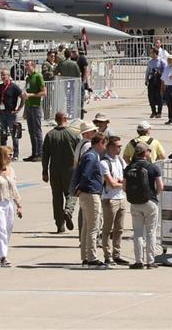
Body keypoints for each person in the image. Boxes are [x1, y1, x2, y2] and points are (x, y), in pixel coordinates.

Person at [124, 144, 163, 269]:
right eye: (149, 151)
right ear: (145, 153)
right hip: (150, 202)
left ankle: (138, 261)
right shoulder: (153, 167)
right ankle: (150, 261)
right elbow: (160, 187)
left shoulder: (129, 167)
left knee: (138, 233)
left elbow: (124, 187)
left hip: (135, 203)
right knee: (151, 232)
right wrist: (153, 195)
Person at [42, 111, 79, 233]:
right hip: (70, 169)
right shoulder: (74, 134)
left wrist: (44, 171)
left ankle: (59, 224)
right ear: (65, 119)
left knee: (56, 197)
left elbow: (45, 155)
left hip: (54, 170)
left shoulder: (50, 135)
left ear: (56, 120)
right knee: (72, 193)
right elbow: (80, 152)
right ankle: (68, 210)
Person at [73, 133, 107, 267]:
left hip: (86, 194)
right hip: (91, 193)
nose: (104, 148)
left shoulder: (89, 155)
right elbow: (86, 174)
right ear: (100, 143)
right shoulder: (92, 157)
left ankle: (85, 256)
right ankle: (92, 257)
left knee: (87, 227)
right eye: (104, 144)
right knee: (93, 227)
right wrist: (80, 187)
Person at [100, 136, 128, 265]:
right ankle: (107, 255)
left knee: (119, 229)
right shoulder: (104, 163)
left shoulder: (121, 161)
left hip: (121, 198)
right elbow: (111, 183)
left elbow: (126, 179)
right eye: (117, 146)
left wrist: (120, 182)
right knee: (107, 229)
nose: (120, 149)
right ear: (110, 147)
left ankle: (117, 254)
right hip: (110, 199)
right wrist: (120, 182)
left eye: (120, 146)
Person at [0, 69, 24, 160]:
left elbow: (22, 97)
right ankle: (4, 154)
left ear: (8, 76)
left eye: (4, 75)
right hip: (2, 114)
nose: (2, 77)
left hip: (11, 114)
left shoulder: (14, 87)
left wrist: (18, 109)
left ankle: (16, 154)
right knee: (3, 134)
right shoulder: (0, 87)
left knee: (14, 135)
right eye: (1, 75)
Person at [22, 60, 46, 161]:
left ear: (33, 66)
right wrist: (24, 109)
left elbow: (44, 92)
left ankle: (40, 153)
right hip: (28, 107)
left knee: (37, 130)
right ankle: (34, 152)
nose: (26, 67)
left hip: (36, 106)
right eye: (26, 65)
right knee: (31, 131)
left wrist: (31, 95)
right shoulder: (28, 78)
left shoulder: (38, 76)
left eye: (28, 65)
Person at [145, 49, 165, 119]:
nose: (151, 55)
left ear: (156, 54)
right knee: (151, 96)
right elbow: (147, 71)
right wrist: (146, 79)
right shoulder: (150, 62)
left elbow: (165, 70)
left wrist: (159, 72)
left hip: (159, 80)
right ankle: (153, 111)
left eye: (152, 53)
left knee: (159, 96)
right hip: (152, 79)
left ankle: (159, 112)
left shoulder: (161, 61)